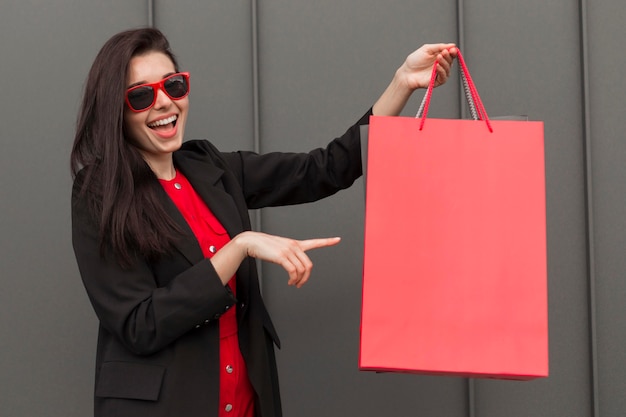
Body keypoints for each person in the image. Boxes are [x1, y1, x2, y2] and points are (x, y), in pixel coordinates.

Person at [70, 27, 456, 417]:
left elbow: (323, 169)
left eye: (173, 85)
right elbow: (140, 324)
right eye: (140, 95)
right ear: (115, 109)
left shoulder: (210, 166)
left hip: (246, 404)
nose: (164, 103)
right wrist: (240, 247)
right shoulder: (98, 192)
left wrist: (402, 83)